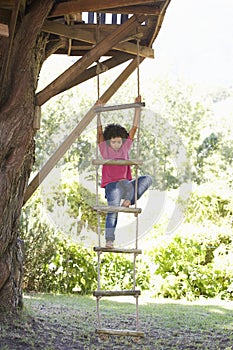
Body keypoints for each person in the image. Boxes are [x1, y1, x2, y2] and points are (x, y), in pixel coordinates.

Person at [97, 96, 152, 248]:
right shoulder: (105, 150)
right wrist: (99, 113)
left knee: (147, 179)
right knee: (113, 210)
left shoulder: (125, 148)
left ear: (122, 141)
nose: (116, 144)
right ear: (109, 142)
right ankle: (109, 240)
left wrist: (136, 108)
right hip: (112, 186)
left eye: (118, 141)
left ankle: (129, 200)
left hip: (126, 185)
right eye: (113, 141)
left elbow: (134, 128)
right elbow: (100, 133)